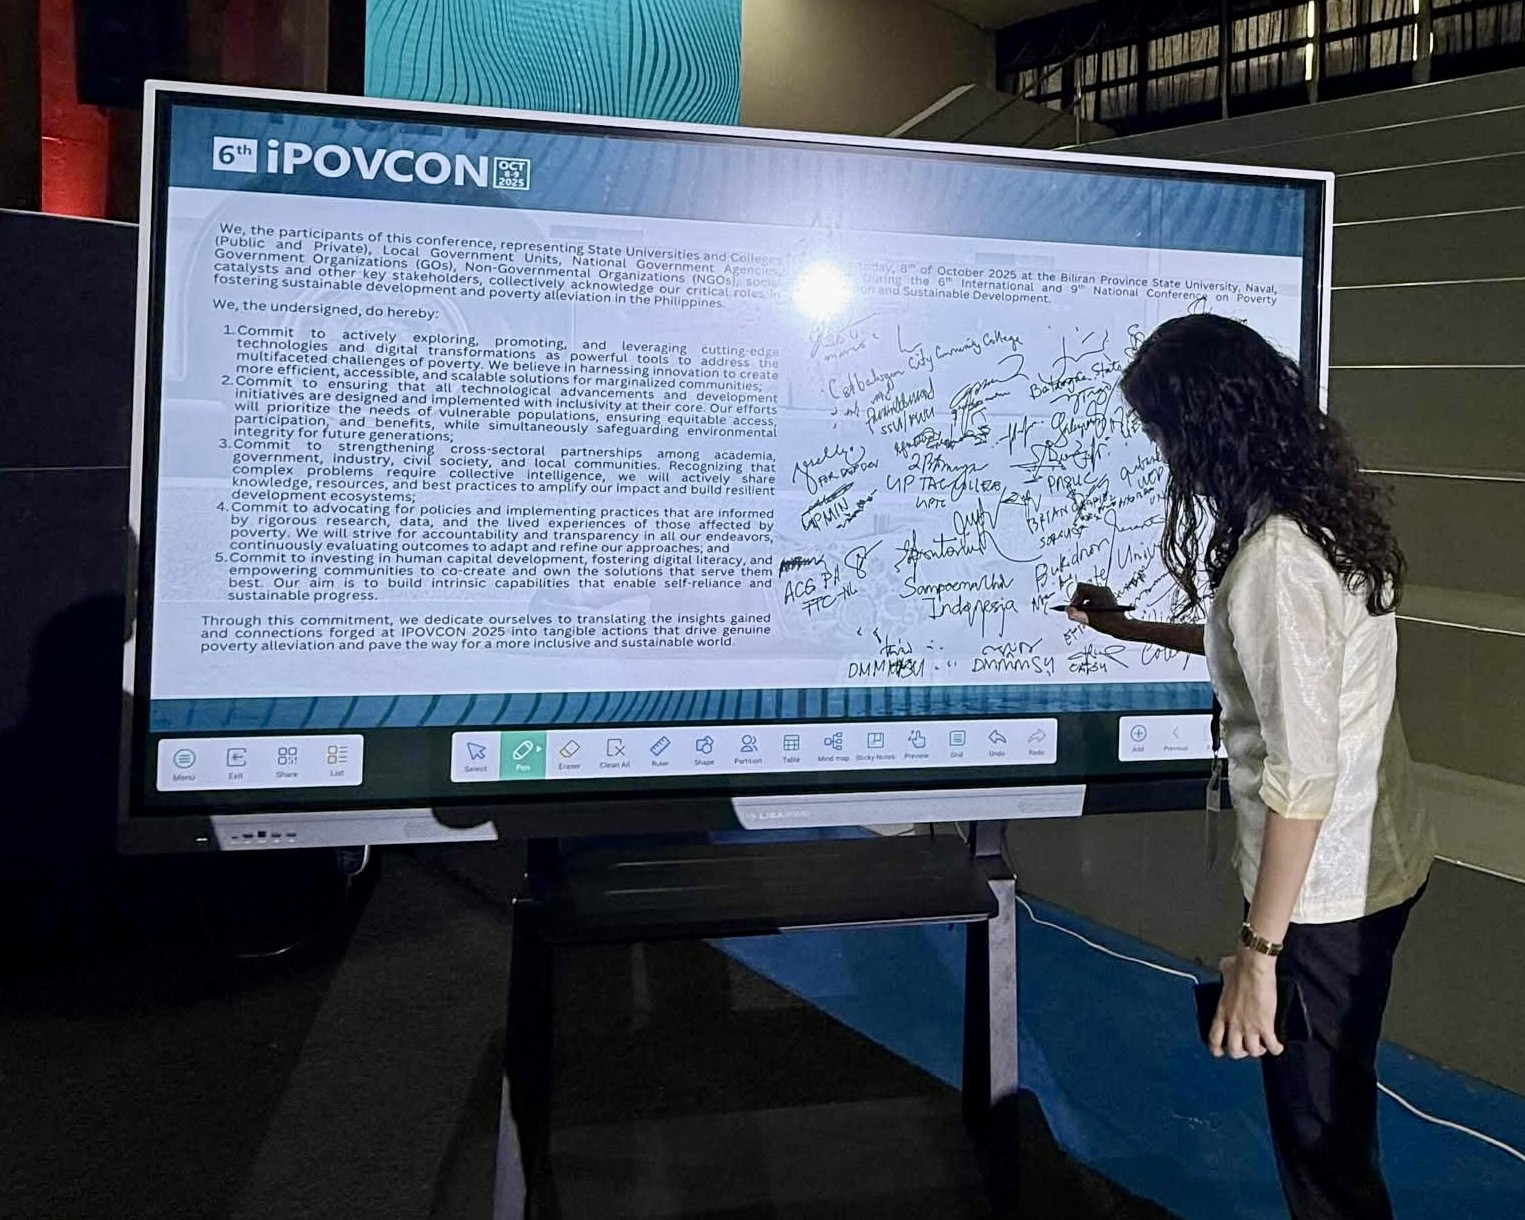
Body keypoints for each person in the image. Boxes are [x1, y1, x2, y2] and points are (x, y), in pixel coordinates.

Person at [1067, 314, 1435, 1220]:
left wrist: (1259, 954)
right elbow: (1278, 658)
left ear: (1201, 429)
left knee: (1321, 1145)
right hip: (1373, 862)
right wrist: (1129, 630)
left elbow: (1300, 774)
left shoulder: (1275, 560)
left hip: (1321, 894)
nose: (1165, 457)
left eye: (1162, 433)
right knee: (1333, 1122)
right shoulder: (1319, 520)